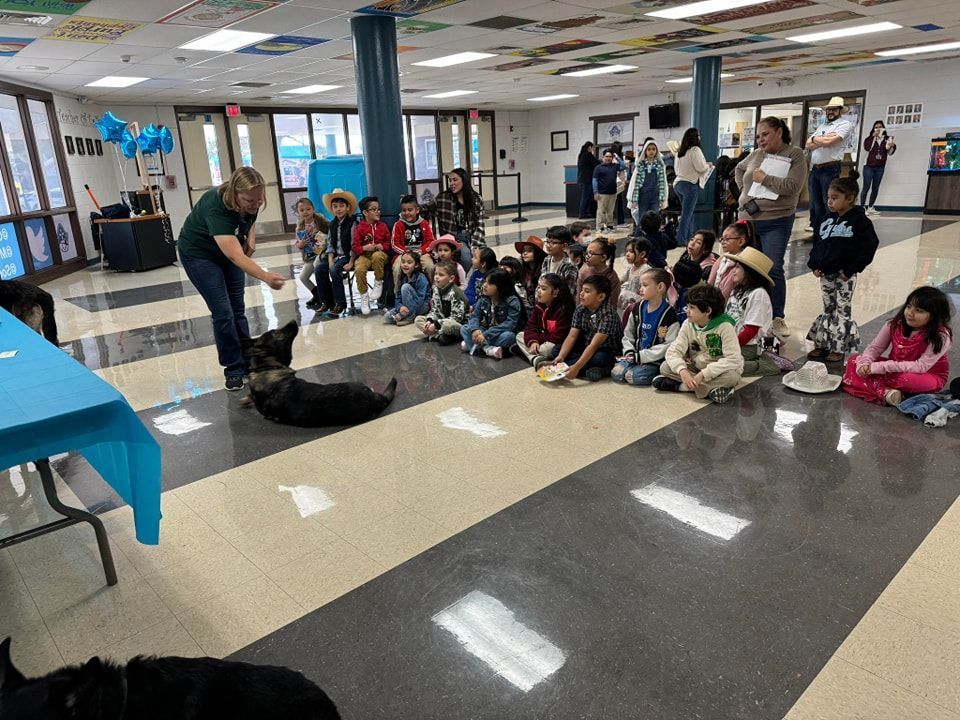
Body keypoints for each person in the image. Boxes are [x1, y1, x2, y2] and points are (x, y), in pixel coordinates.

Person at [177, 166, 285, 391]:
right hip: (200, 254)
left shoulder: (251, 201)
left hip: (228, 251)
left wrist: (251, 237)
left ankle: (248, 361)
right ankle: (233, 368)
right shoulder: (215, 206)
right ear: (235, 193)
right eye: (249, 200)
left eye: (259, 199)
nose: (255, 204)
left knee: (238, 309)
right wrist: (265, 277)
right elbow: (234, 255)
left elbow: (250, 220)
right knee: (223, 313)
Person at [735, 116, 807, 338]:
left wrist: (765, 179)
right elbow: (739, 169)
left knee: (773, 267)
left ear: (779, 131)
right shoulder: (757, 154)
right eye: (758, 136)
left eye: (765, 134)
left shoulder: (794, 154)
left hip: (777, 219)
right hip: (749, 219)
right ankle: (750, 312)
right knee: (747, 267)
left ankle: (777, 315)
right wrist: (743, 194)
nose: (761, 140)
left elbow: (793, 186)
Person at [807, 171, 880, 362]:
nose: (830, 202)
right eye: (828, 198)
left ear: (850, 198)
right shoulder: (825, 219)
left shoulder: (860, 222)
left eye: (835, 198)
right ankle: (823, 343)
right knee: (828, 308)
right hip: (825, 274)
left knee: (842, 309)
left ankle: (839, 347)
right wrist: (814, 264)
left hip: (844, 276)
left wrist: (850, 270)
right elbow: (817, 244)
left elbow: (868, 247)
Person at [843, 286, 952, 406]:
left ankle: (871, 385)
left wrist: (878, 367)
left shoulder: (941, 336)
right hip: (894, 369)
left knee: (904, 380)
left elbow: (921, 366)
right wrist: (864, 363)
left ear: (934, 315)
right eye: (909, 306)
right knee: (854, 361)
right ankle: (887, 393)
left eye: (919, 311)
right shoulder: (893, 325)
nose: (910, 313)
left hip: (927, 375)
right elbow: (875, 347)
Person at [653, 283, 743, 404]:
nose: (687, 311)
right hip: (695, 368)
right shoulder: (688, 323)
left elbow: (733, 360)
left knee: (733, 377)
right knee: (665, 367)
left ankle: (681, 387)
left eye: (692, 308)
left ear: (707, 311)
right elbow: (673, 351)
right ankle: (713, 390)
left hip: (718, 372)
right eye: (687, 306)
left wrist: (704, 374)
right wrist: (683, 371)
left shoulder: (725, 327)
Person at [612, 268, 679, 387]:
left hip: (654, 361)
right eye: (640, 285)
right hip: (634, 356)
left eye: (645, 285)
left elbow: (668, 344)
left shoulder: (669, 314)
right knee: (616, 373)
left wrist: (642, 356)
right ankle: (632, 366)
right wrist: (629, 352)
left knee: (633, 376)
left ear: (660, 287)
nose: (640, 289)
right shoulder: (637, 308)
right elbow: (628, 334)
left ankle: (651, 372)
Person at [552, 274, 623, 381]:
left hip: (607, 351)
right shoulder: (581, 309)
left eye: (587, 291)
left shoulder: (608, 315)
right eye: (582, 290)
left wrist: (576, 367)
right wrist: (561, 356)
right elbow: (572, 336)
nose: (581, 294)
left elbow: (595, 345)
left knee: (598, 358)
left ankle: (605, 370)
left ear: (600, 297)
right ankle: (583, 369)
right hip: (586, 346)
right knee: (556, 350)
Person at [723, 248, 779, 376]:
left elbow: (751, 330)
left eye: (737, 267)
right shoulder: (737, 291)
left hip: (750, 346)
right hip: (733, 341)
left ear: (749, 272)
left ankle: (764, 365)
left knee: (722, 366)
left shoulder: (758, 294)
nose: (733, 271)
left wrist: (731, 346)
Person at [805, 97, 854, 240]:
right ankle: (816, 233)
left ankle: (829, 233)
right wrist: (819, 139)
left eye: (833, 109)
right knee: (815, 204)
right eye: (829, 109)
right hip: (815, 169)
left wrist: (818, 140)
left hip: (830, 169)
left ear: (840, 110)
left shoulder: (845, 124)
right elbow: (808, 144)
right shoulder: (823, 127)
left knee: (829, 203)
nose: (830, 112)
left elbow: (830, 142)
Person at [421, 168, 486, 269]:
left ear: (464, 180)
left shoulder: (476, 199)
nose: (451, 183)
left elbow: (479, 224)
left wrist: (477, 246)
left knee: (484, 258)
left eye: (455, 180)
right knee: (466, 258)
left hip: (471, 236)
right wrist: (412, 208)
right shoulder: (443, 198)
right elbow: (427, 208)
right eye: (450, 180)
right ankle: (460, 280)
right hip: (454, 237)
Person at [461, 268, 523, 359]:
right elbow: (475, 316)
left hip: (498, 333)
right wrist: (475, 329)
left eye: (489, 283)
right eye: (485, 281)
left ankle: (474, 345)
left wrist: (485, 335)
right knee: (464, 328)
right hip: (485, 330)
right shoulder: (484, 298)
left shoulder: (512, 301)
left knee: (509, 336)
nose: (485, 285)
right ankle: (488, 349)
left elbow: (510, 324)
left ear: (500, 286)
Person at [517, 273, 574, 367]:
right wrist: (533, 341)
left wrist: (537, 340)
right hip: (542, 339)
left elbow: (558, 337)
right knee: (519, 335)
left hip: (556, 344)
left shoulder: (562, 309)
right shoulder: (538, 306)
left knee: (546, 349)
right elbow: (531, 326)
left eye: (543, 289)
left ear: (555, 292)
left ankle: (532, 354)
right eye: (538, 287)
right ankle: (535, 358)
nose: (538, 291)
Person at [315, 188, 356, 317]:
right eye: (335, 206)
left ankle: (340, 303)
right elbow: (331, 244)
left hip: (347, 256)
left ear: (348, 207)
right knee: (319, 269)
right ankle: (326, 301)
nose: (338, 209)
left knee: (334, 270)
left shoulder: (352, 223)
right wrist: (330, 259)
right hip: (335, 256)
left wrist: (351, 262)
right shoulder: (332, 224)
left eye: (342, 206)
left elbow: (354, 245)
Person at [673, 127, 714, 247]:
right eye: (699, 135)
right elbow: (701, 168)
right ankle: (681, 240)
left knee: (686, 214)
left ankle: (688, 237)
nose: (700, 137)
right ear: (695, 138)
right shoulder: (695, 150)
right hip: (690, 185)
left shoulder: (679, 152)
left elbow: (676, 170)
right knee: (687, 215)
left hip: (678, 184)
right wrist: (708, 165)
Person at [352, 195, 390, 316]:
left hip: (380, 254)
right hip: (365, 255)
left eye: (378, 209)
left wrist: (382, 246)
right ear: (365, 212)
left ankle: (378, 282)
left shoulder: (383, 226)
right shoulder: (359, 228)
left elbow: (389, 243)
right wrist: (364, 248)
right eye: (374, 209)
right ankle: (364, 297)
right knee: (359, 268)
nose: (378, 212)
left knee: (377, 256)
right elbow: (355, 247)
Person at [416, 260, 468, 345]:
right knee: (418, 320)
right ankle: (439, 335)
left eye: (441, 275)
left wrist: (436, 325)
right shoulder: (436, 289)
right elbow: (435, 310)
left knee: (448, 325)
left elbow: (456, 318)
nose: (436, 277)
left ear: (451, 279)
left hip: (459, 324)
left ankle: (438, 335)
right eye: (436, 274)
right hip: (442, 321)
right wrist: (430, 320)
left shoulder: (456, 293)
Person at [290, 197, 329, 310]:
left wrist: (324, 240)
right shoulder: (300, 226)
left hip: (322, 254)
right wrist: (300, 244)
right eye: (302, 210)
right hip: (310, 256)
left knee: (318, 267)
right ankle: (317, 295)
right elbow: (297, 243)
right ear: (298, 212)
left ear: (313, 209)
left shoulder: (321, 221)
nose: (305, 212)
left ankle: (324, 296)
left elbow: (331, 232)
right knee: (303, 277)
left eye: (308, 209)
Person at [391, 194, 435, 290]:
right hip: (404, 254)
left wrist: (421, 251)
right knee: (397, 267)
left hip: (421, 253)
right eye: (404, 210)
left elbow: (431, 242)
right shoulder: (398, 225)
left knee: (429, 266)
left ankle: (432, 291)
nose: (407, 213)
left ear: (417, 210)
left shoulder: (424, 224)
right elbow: (395, 244)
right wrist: (406, 253)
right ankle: (397, 293)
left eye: (410, 210)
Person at [708, 220, 755, 301]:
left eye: (727, 239)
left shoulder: (744, 264)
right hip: (715, 303)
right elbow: (710, 283)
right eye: (722, 238)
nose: (722, 242)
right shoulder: (721, 259)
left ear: (741, 241)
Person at [626, 139, 668, 225]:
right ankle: (640, 237)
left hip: (655, 195)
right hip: (643, 195)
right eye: (649, 149)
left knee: (655, 218)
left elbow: (662, 183)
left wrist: (662, 199)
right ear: (645, 151)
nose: (651, 151)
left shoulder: (660, 165)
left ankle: (653, 237)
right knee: (642, 218)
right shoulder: (641, 165)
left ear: (656, 151)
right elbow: (636, 184)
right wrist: (634, 200)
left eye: (653, 149)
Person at [384, 251, 430, 326]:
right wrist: (401, 307)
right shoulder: (403, 278)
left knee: (405, 287)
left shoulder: (421, 277)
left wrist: (402, 315)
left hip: (422, 305)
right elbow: (398, 297)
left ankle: (409, 317)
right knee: (387, 317)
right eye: (403, 262)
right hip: (407, 307)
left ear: (416, 265)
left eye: (409, 262)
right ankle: (408, 314)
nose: (405, 265)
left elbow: (420, 300)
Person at [861, 120, 897, 214]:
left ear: (883, 128)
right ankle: (862, 207)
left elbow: (889, 153)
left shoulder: (887, 139)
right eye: (876, 127)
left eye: (880, 127)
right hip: (868, 166)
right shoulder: (869, 138)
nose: (878, 129)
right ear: (873, 128)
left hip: (880, 167)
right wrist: (873, 137)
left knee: (875, 188)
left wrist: (892, 146)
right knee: (866, 186)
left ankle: (871, 207)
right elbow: (867, 148)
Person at [578, 239, 621, 310]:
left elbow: (612, 303)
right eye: (586, 253)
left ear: (603, 257)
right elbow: (579, 299)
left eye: (591, 253)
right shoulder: (584, 273)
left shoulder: (612, 276)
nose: (586, 256)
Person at [540, 225, 579, 299]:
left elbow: (568, 293)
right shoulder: (547, 259)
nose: (548, 245)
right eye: (547, 241)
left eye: (553, 243)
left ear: (564, 246)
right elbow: (540, 282)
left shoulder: (569, 266)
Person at [618, 237, 652, 315]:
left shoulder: (645, 270)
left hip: (638, 302)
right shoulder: (631, 267)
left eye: (631, 251)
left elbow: (646, 291)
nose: (627, 254)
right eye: (626, 251)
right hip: (628, 300)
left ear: (642, 254)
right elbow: (621, 279)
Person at [593, 150, 623, 233]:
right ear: (603, 157)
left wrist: (617, 157)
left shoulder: (614, 166)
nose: (608, 158)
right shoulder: (598, 168)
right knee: (601, 211)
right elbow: (594, 180)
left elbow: (623, 166)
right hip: (602, 193)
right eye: (606, 156)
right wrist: (595, 192)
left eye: (610, 156)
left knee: (610, 211)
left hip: (613, 193)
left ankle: (610, 226)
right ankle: (600, 227)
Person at [515, 235, 546, 312]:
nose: (525, 253)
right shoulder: (521, 268)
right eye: (523, 251)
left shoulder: (544, 269)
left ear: (537, 253)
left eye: (529, 251)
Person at [576, 141, 599, 218]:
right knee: (586, 197)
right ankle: (582, 214)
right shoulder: (588, 155)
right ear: (589, 147)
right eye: (592, 148)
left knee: (586, 197)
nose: (593, 150)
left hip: (582, 179)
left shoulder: (581, 155)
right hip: (587, 180)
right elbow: (596, 162)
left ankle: (584, 213)